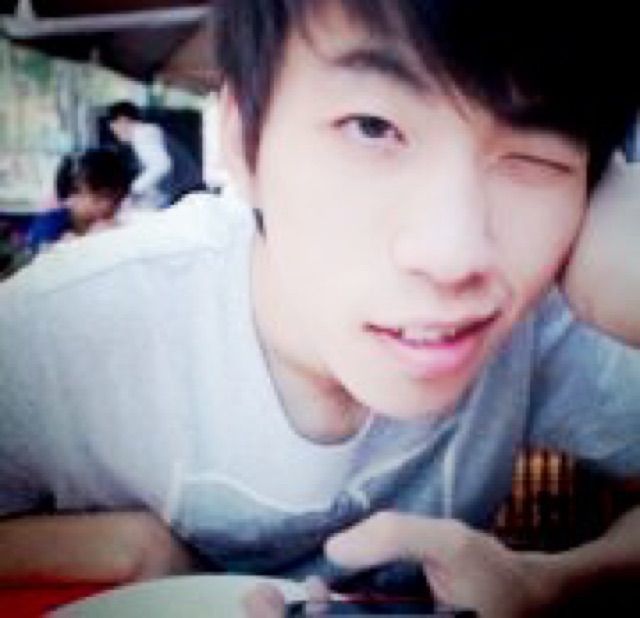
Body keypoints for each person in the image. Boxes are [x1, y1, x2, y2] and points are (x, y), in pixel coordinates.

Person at [0, 1, 639, 615]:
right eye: (372, 128)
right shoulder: (71, 322)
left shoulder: (545, 318)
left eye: (534, 154)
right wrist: (128, 548)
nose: (453, 255)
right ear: (243, 139)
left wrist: (555, 583)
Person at [23, 147, 132, 253]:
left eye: (118, 200)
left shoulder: (117, 224)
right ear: (74, 194)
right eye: (101, 197)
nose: (110, 205)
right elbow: (38, 254)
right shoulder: (48, 226)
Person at [106, 100, 172, 209]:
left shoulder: (142, 134)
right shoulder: (146, 132)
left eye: (114, 127)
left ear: (123, 120)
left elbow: (162, 165)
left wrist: (133, 191)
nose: (115, 134)